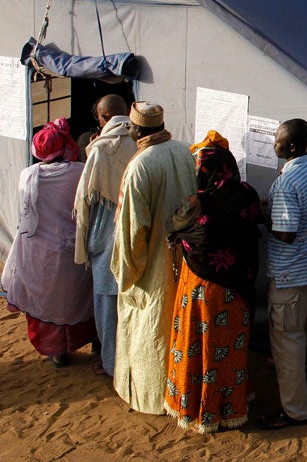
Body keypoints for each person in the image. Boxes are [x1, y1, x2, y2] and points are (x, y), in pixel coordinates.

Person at [164, 132, 262, 434]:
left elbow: (176, 228)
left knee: (199, 346)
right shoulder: (248, 194)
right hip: (237, 289)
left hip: (202, 289)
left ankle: (199, 407)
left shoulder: (196, 204)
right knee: (229, 346)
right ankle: (232, 404)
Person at [111, 102, 197, 414]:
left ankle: (152, 396)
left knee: (151, 331)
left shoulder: (141, 165)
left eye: (130, 127)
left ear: (137, 130)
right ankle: (180, 393)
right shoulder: (184, 151)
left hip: (153, 265)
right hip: (187, 258)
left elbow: (134, 228)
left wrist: (127, 272)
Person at [258, 119, 307, 430]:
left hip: (289, 271)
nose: (273, 144)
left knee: (288, 341)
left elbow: (286, 233)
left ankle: (294, 411)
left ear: (290, 146)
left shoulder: (286, 183)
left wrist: (262, 213)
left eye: (277, 140)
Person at [1, 119, 93, 368]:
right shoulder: (79, 172)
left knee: (46, 302)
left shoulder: (27, 176)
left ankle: (55, 351)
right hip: (71, 252)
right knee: (74, 298)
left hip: (38, 253)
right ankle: (81, 342)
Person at [73, 99, 133, 378]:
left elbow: (88, 196)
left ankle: (110, 363)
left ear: (105, 116)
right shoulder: (143, 138)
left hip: (106, 233)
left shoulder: (101, 149)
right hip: (135, 233)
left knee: (107, 304)